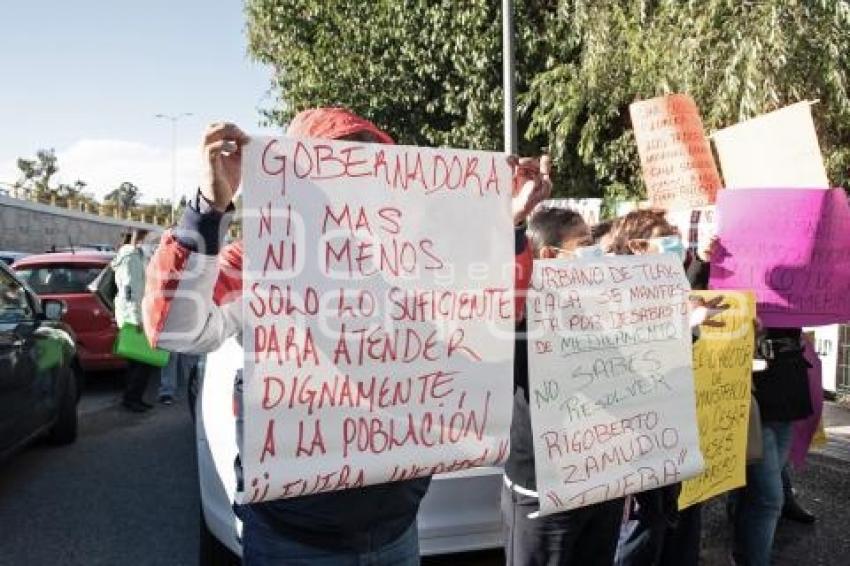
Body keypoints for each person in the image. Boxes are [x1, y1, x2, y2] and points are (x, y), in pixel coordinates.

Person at [142, 108, 550, 565]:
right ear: (296, 186)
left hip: (398, 529)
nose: (355, 194)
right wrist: (207, 208)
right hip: (293, 541)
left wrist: (509, 224)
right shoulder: (260, 261)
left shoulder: (421, 267)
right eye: (334, 174)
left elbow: (496, 311)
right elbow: (175, 329)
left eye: (368, 176)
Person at [503, 205, 625, 566]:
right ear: (551, 256)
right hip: (545, 489)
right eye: (585, 244)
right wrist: (514, 222)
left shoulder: (609, 302)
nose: (597, 253)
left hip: (604, 478)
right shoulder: (522, 316)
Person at [608, 209, 702, 566]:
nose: (676, 248)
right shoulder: (612, 299)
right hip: (635, 459)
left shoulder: (667, 294)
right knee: (638, 541)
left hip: (668, 448)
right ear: (637, 247)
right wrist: (686, 330)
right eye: (667, 240)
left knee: (664, 535)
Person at [732, 325, 813, 566]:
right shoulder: (719, 284)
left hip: (786, 388)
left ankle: (744, 552)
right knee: (769, 498)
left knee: (759, 492)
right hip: (752, 392)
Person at [113, 229, 157, 412]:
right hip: (134, 317)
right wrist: (136, 318)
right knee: (142, 363)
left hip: (132, 315)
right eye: (147, 238)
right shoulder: (130, 257)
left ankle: (133, 398)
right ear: (140, 238)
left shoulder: (132, 256)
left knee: (137, 363)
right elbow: (131, 290)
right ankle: (132, 399)